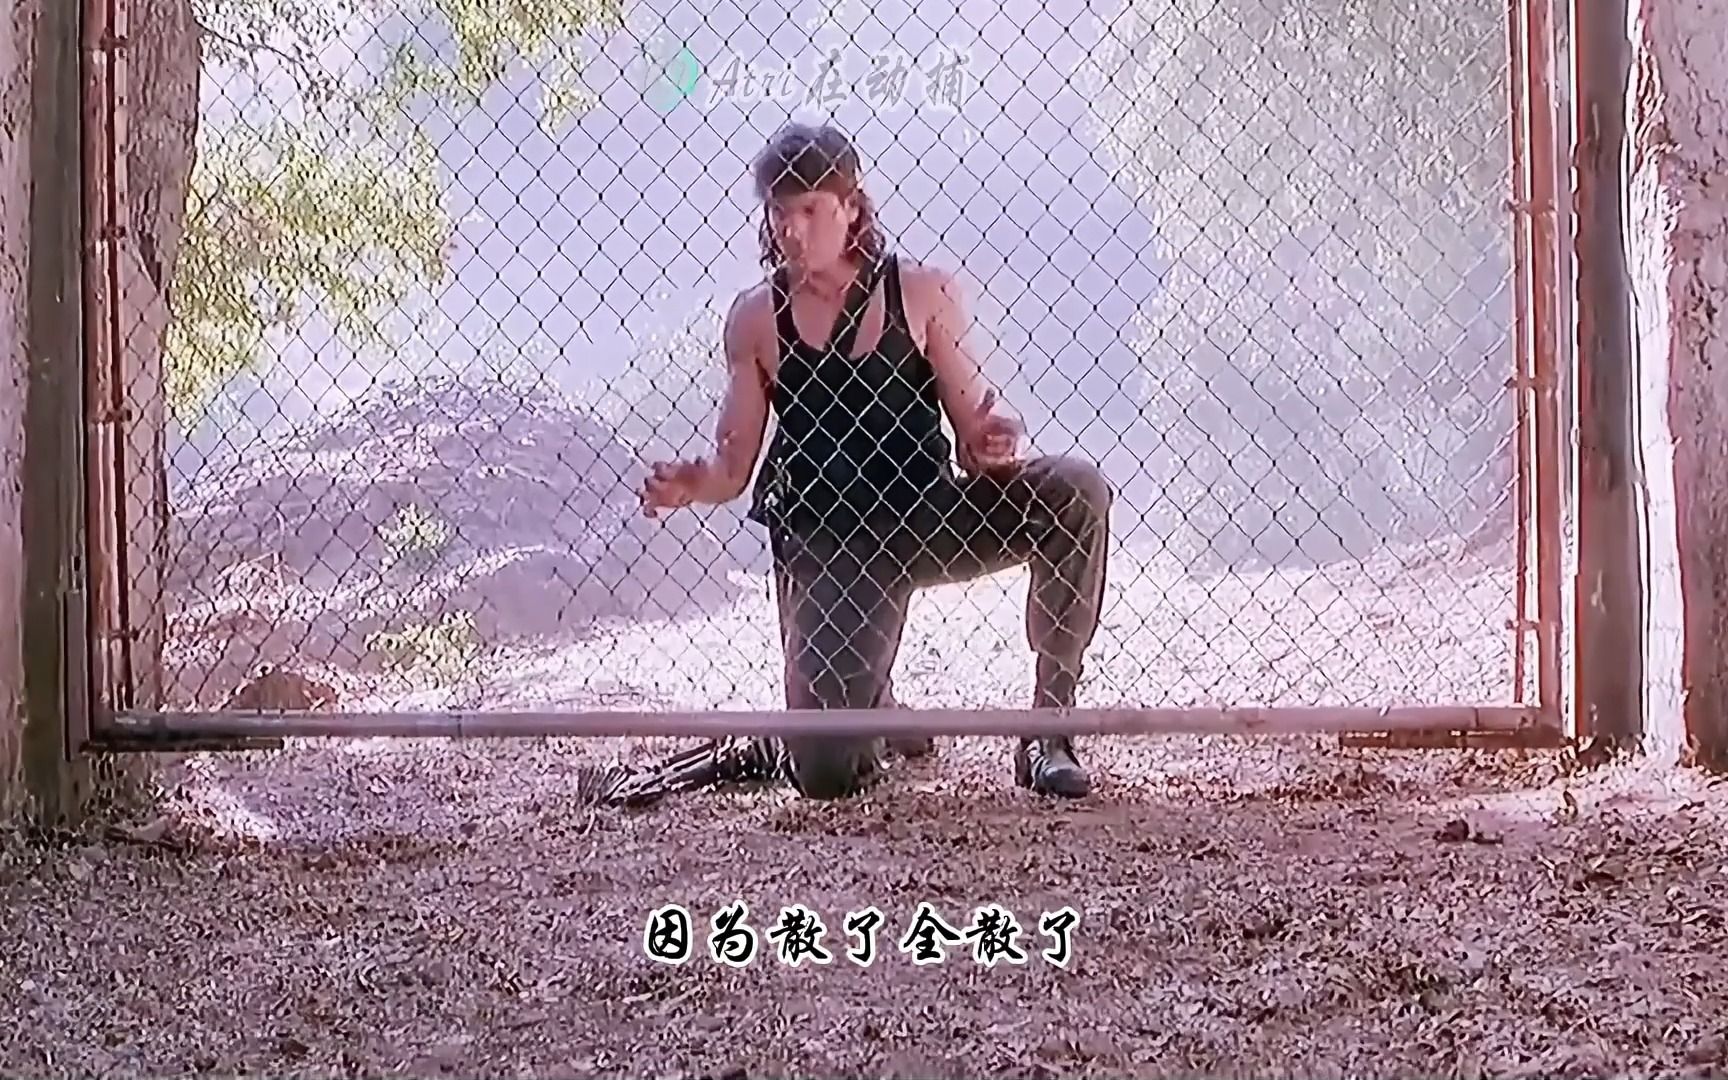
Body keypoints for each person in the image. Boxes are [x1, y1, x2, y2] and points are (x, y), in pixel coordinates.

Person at [637, 121, 1113, 801]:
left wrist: (990, 441)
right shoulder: (756, 319)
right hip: (833, 546)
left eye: (810, 209)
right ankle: (870, 712)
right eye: (779, 212)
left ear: (852, 207)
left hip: (926, 516)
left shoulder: (921, 293)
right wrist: (692, 484)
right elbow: (732, 469)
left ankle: (1049, 729)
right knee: (826, 776)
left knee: (1076, 491)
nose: (791, 229)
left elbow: (974, 436)